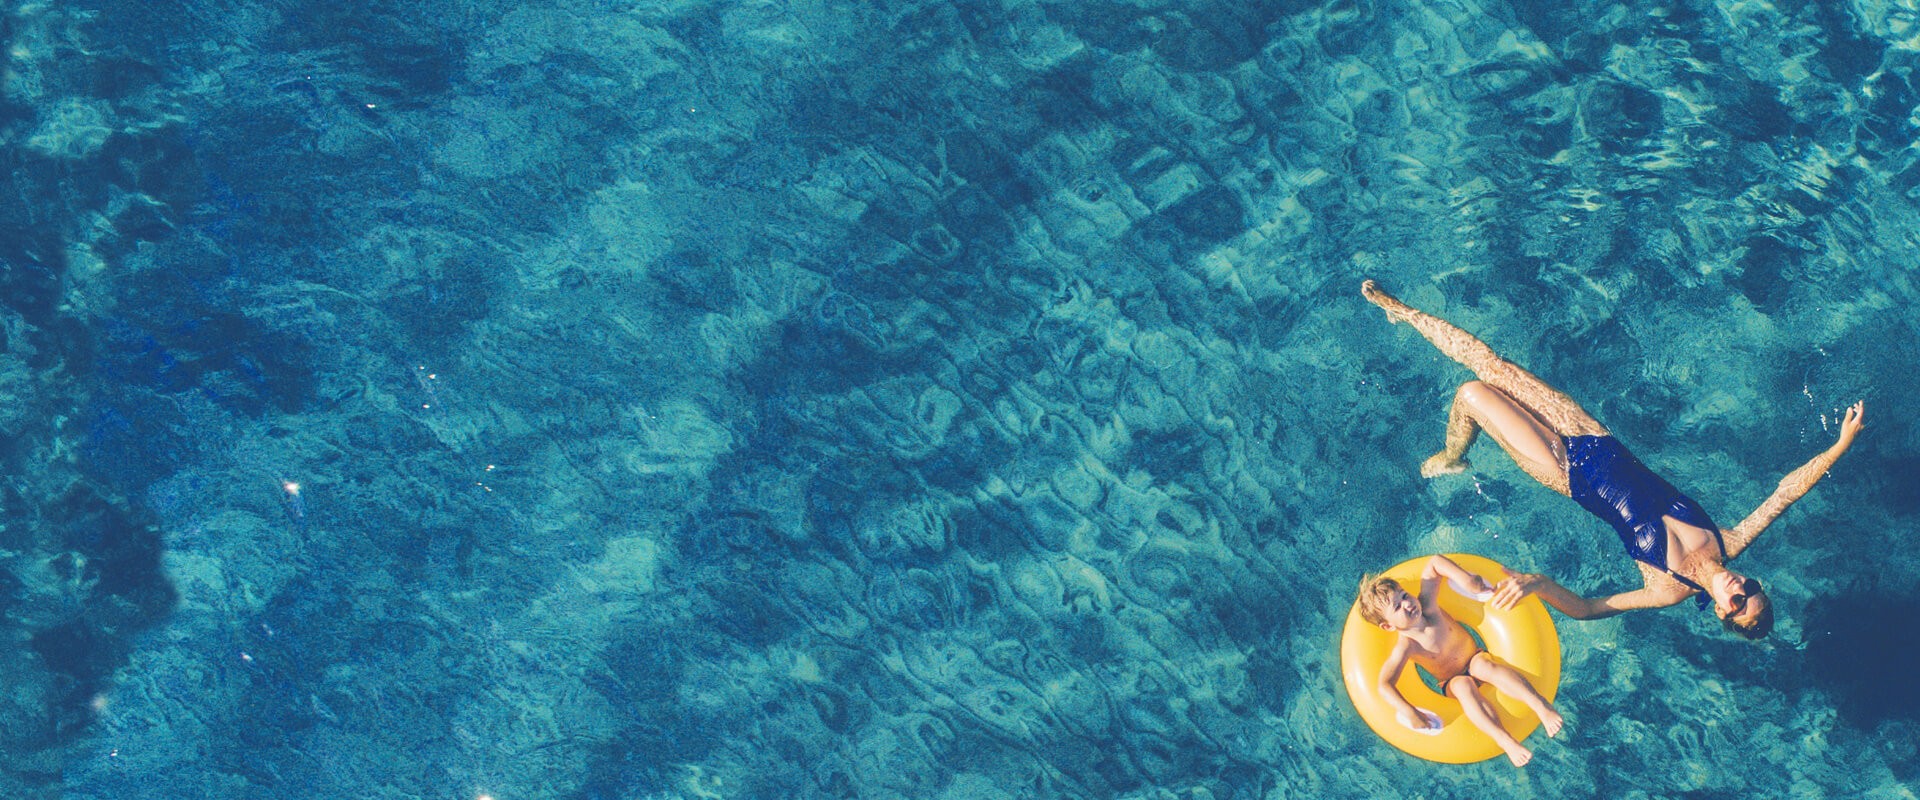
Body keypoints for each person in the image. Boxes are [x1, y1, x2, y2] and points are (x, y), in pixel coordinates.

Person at [1361, 280, 1867, 639]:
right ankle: (1401, 311)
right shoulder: (1729, 540)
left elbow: (1588, 610)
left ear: (1719, 613)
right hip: (1594, 437)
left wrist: (1538, 583)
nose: (1739, 588)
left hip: (1565, 471)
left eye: (1737, 603)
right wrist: (1840, 447)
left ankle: (1453, 454)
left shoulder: (1667, 589)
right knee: (1493, 365)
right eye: (1751, 588)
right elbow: (1787, 491)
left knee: (1472, 394)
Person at [1358, 554, 1566, 767]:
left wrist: (1465, 579)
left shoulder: (1428, 605)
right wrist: (1408, 710)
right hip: (1451, 681)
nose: (1406, 604)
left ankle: (1540, 705)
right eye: (1396, 607)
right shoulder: (1406, 647)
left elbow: (1434, 564)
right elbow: (1384, 684)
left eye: (1403, 595)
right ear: (1388, 626)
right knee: (1464, 686)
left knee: (1484, 666)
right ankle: (1505, 740)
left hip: (1474, 657)